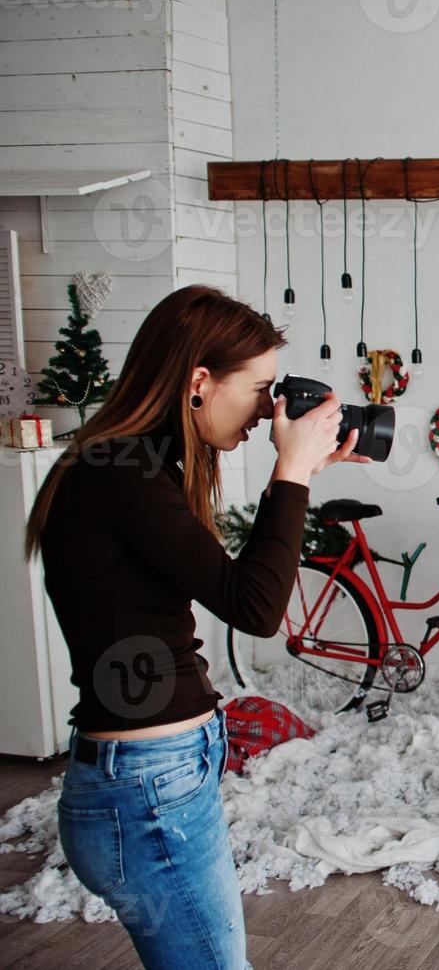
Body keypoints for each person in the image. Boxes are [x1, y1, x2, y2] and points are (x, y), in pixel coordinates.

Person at [24, 285, 369, 969]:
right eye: (262, 389)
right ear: (199, 381)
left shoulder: (131, 465)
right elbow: (256, 608)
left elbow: (239, 591)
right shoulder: (116, 473)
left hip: (152, 779)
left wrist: (292, 479)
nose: (272, 410)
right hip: (145, 789)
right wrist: (292, 471)